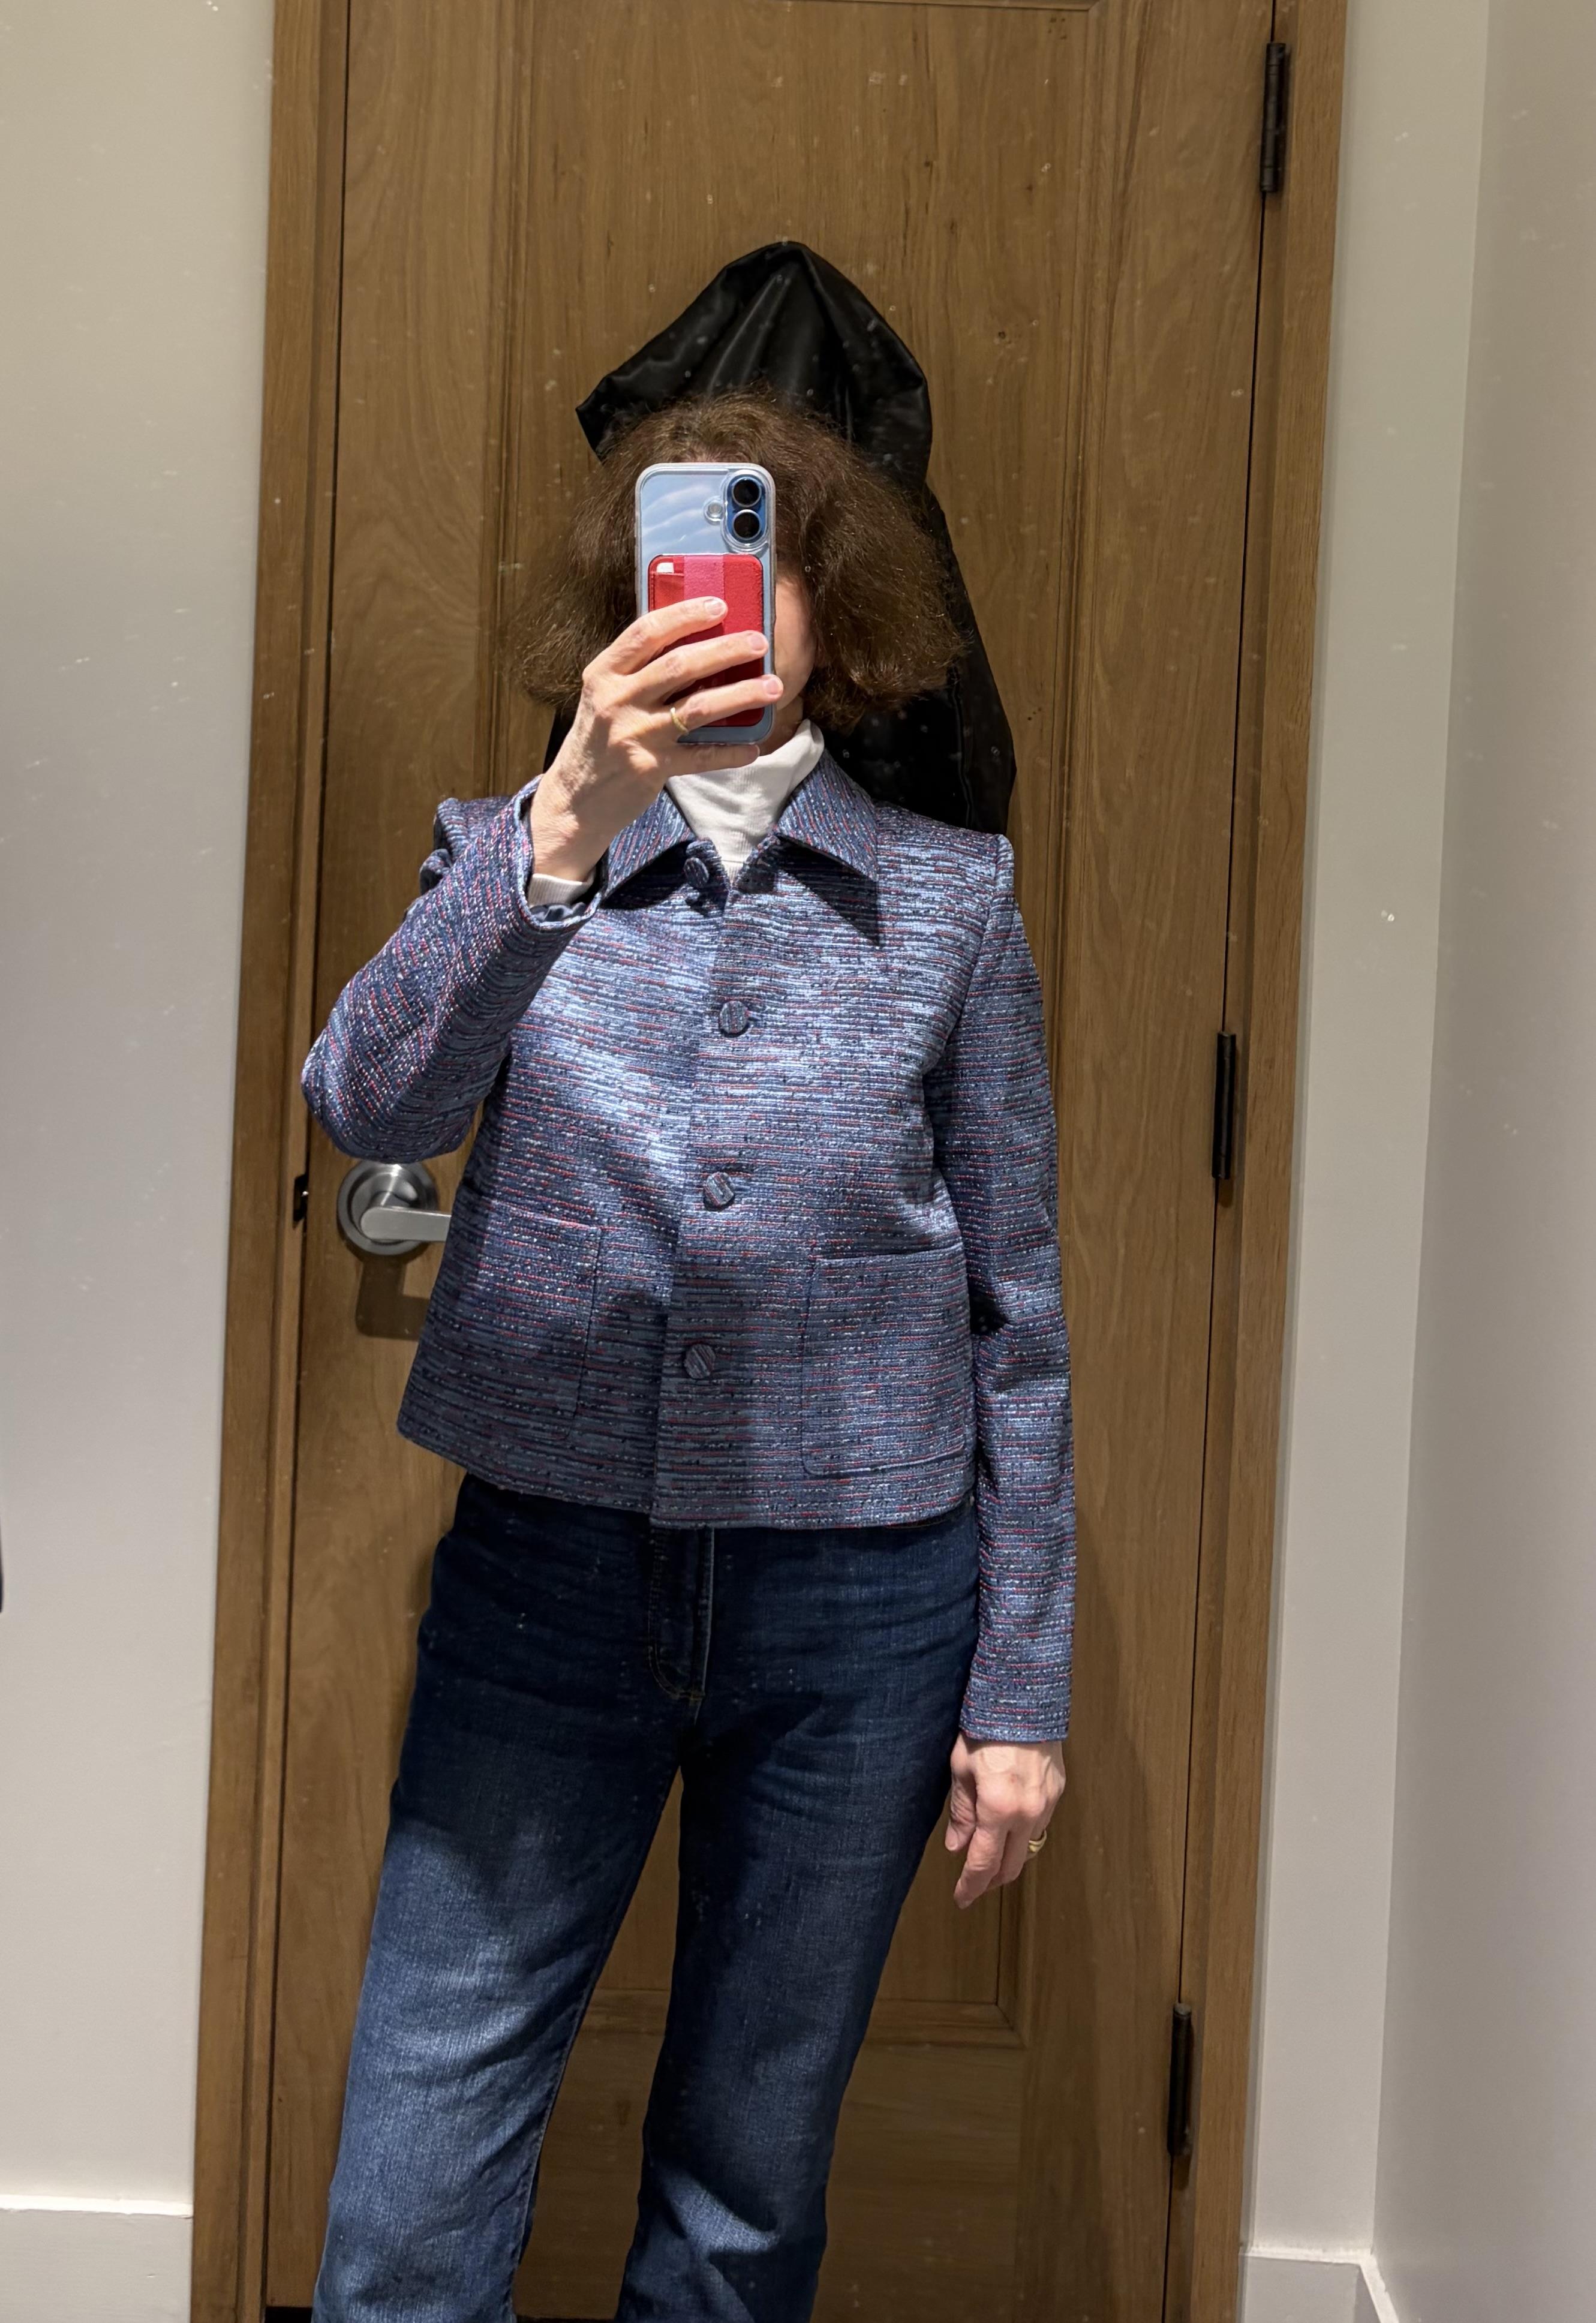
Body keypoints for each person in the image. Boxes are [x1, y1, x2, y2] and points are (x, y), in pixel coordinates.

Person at [300, 385, 1075, 2323]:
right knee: (410, 2193)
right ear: (624, 590)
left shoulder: (952, 901)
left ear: (838, 604)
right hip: (544, 1582)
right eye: (691, 556)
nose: (724, 599)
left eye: (769, 557)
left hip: (863, 1613)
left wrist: (1022, 1686)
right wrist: (562, 825)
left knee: (744, 2191)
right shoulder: (510, 850)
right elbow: (367, 1102)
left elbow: (1019, 1318)